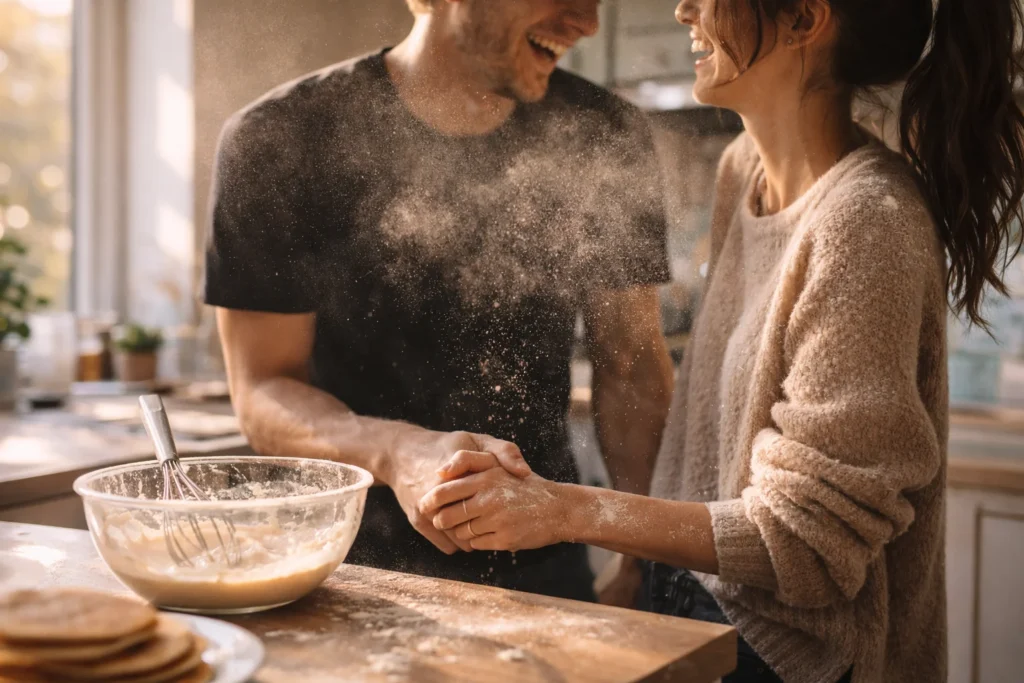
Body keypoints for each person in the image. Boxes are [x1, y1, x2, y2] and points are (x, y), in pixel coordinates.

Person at [420, 0, 1024, 680]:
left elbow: (805, 541)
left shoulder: (865, 223)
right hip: (694, 608)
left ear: (805, 18)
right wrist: (641, 568)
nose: (684, 8)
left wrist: (564, 509)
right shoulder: (745, 169)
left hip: (794, 658)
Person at [204, 0, 674, 603]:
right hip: (339, 566)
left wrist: (644, 559)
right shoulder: (278, 138)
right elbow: (263, 389)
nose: (585, 22)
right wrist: (401, 452)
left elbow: (631, 366)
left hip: (542, 570)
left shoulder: (605, 135)